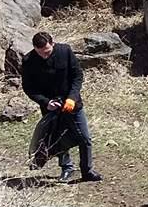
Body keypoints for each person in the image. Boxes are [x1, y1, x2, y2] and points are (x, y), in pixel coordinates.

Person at [21, 31, 102, 183]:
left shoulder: (65, 51)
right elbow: (29, 88)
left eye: (47, 52)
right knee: (58, 139)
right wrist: (46, 102)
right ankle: (67, 168)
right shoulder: (28, 61)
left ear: (52, 44)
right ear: (34, 49)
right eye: (40, 53)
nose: (44, 56)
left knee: (85, 138)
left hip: (72, 103)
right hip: (50, 107)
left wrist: (72, 98)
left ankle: (87, 171)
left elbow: (77, 76)